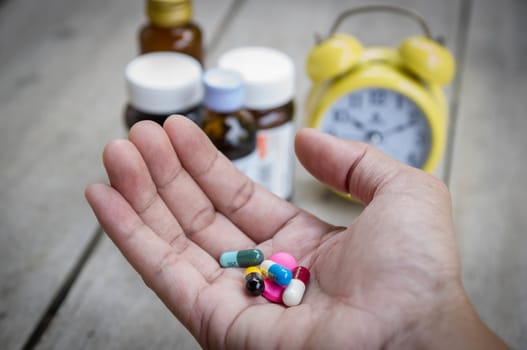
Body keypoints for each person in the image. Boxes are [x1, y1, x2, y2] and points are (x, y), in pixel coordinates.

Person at [85, 115, 509, 349]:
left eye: (271, 275)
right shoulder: (268, 274)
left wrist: (421, 322)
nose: (270, 275)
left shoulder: (280, 276)